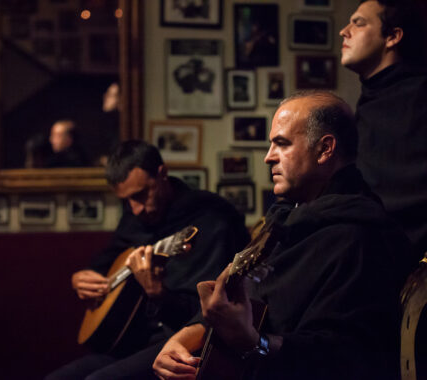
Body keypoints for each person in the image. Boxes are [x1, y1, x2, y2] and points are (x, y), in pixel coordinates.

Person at [153, 91, 413, 380]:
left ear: (325, 149)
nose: (268, 157)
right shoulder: (284, 219)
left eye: (281, 144)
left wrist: (253, 343)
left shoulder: (359, 237)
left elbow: (344, 356)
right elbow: (243, 303)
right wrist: (184, 336)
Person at [46, 140, 250, 380]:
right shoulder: (137, 217)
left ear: (162, 174)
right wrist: (82, 277)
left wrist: (158, 294)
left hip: (184, 342)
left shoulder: (211, 219)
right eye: (127, 200)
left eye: (141, 195)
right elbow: (110, 258)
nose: (136, 209)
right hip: (132, 339)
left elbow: (206, 315)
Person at [339, 0, 427, 260]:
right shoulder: (371, 99)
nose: (344, 30)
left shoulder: (419, 96)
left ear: (392, 36)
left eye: (359, 23)